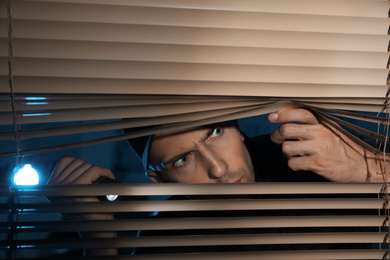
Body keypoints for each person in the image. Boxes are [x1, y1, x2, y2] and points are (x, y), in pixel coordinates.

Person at [47, 108, 385, 255]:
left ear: (237, 128)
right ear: (160, 180)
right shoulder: (163, 236)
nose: (219, 169)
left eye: (216, 133)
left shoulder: (311, 157)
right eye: (182, 159)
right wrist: (98, 237)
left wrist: (365, 170)